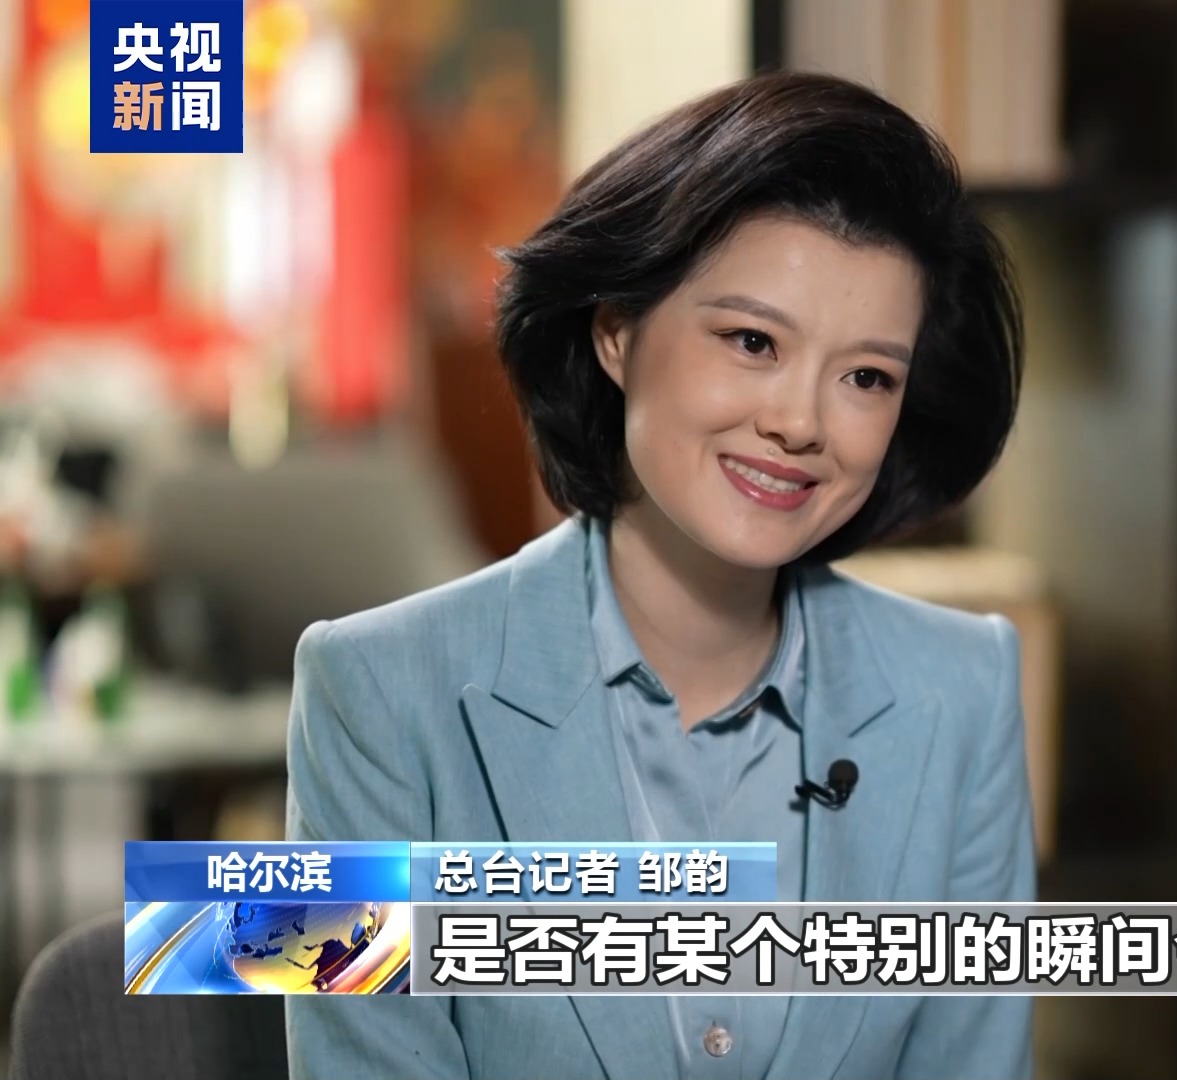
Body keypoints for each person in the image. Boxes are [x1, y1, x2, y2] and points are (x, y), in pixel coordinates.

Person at [284, 71, 1033, 1079]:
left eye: (866, 377)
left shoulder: (965, 691)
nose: (801, 423)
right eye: (752, 341)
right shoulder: (372, 690)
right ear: (617, 332)